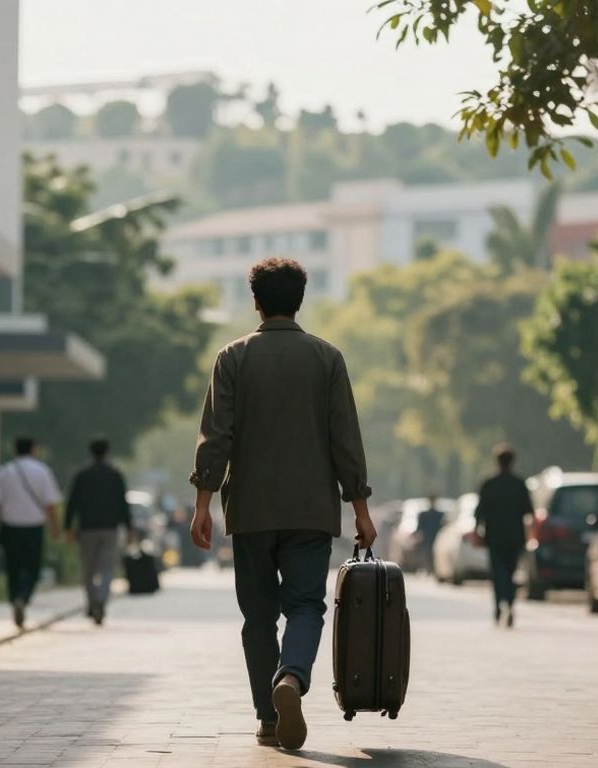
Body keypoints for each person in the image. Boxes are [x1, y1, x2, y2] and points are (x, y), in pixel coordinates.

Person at [189, 257, 376, 752]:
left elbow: (216, 437)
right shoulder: (327, 358)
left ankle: (269, 719)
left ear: (255, 301)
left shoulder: (232, 357)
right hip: (311, 510)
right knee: (305, 605)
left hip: (250, 510)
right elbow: (345, 440)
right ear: (300, 300)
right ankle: (291, 676)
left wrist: (203, 503)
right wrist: (360, 509)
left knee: (258, 617)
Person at [0, 436, 62, 629]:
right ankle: (23, 596)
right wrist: (55, 529)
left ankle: (14, 599)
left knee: (13, 567)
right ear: (34, 449)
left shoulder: (5, 471)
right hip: (34, 528)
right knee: (32, 567)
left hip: (10, 527)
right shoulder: (42, 471)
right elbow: (50, 504)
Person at [64, 437, 134, 626]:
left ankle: (92, 601)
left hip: (87, 528)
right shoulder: (115, 475)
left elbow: (72, 503)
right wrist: (129, 528)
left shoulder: (82, 475)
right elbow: (123, 504)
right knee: (107, 568)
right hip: (110, 528)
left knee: (88, 568)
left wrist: (67, 527)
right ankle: (101, 600)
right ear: (107, 452)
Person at [473, 444, 534, 627]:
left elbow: (479, 512)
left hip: (495, 536)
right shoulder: (519, 484)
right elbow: (529, 511)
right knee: (511, 572)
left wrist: (477, 532)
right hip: (515, 536)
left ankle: (500, 604)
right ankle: (510, 602)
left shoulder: (489, 484)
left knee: (498, 572)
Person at [415, 494, 446, 573]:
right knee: (427, 553)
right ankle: (429, 568)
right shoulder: (425, 514)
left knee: (434, 553)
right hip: (428, 537)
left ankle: (432, 568)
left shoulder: (439, 514)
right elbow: (420, 527)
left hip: (435, 537)